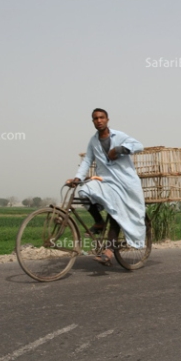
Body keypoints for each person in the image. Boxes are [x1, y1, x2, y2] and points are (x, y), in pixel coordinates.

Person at [66, 108, 146, 266]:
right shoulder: (93, 141)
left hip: (125, 183)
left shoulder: (119, 136)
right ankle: (99, 221)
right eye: (95, 118)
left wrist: (118, 149)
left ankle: (109, 251)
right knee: (84, 191)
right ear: (93, 121)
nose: (99, 120)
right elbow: (87, 161)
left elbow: (139, 146)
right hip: (106, 181)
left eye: (102, 117)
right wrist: (77, 178)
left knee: (117, 211)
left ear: (107, 119)